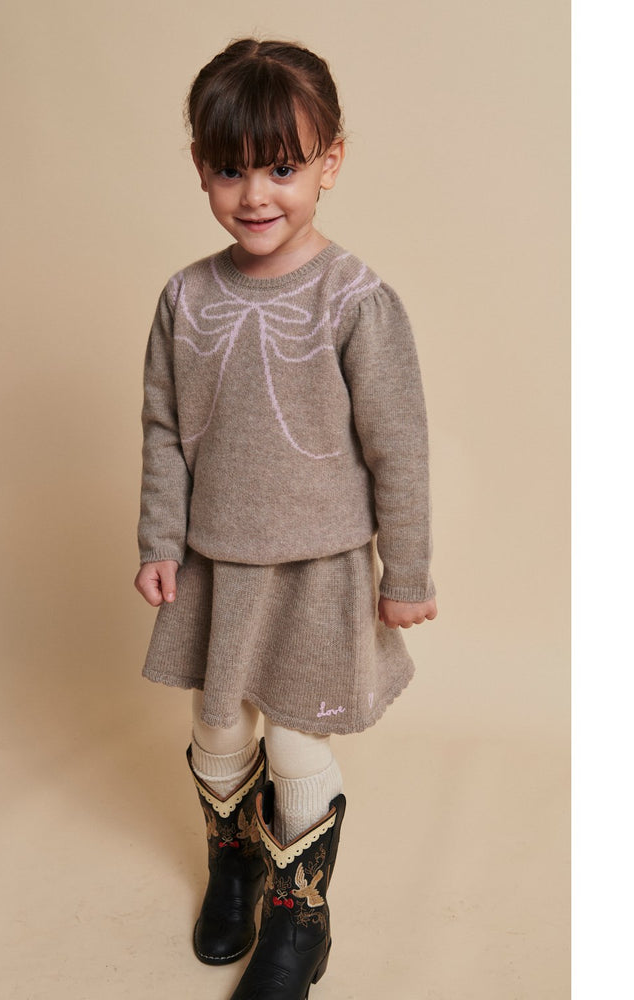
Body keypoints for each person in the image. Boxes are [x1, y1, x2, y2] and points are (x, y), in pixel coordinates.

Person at [134, 38, 437, 1000]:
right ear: (201, 168)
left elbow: (399, 447)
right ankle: (234, 866)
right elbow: (164, 430)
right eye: (231, 170)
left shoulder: (356, 301)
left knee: (300, 740)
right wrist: (159, 540)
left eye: (282, 168)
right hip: (216, 562)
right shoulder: (186, 298)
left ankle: (300, 917)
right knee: (218, 727)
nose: (256, 194)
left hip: (316, 570)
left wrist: (407, 574)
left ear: (329, 162)